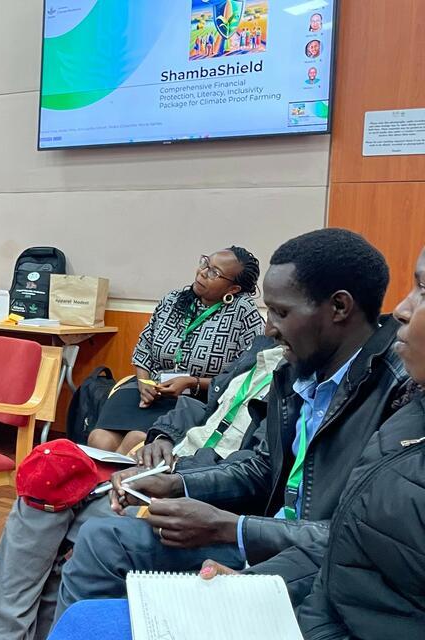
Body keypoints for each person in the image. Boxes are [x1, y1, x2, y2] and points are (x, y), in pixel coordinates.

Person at [54, 229, 407, 619]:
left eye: (282, 313)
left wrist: (232, 529)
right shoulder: (298, 371)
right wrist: (177, 482)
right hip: (268, 539)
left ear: (339, 307)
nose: (269, 329)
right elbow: (261, 467)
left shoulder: (399, 393)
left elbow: (358, 537)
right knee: (101, 538)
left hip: (323, 570)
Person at [0, 336, 280, 640]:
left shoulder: (295, 383)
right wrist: (162, 437)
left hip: (202, 492)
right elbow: (205, 407)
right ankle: (4, 634)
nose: (271, 325)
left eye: (281, 314)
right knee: (50, 480)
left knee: (72, 523)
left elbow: (254, 472)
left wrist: (177, 476)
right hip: (172, 458)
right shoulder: (263, 348)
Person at [199, 244, 425, 638]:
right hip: (291, 573)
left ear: (339, 308)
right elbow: (348, 551)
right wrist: (255, 588)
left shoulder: (392, 392)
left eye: (424, 290)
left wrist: (239, 535)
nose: (402, 310)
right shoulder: (406, 419)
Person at [91, 248, 264, 454]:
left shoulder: (243, 313)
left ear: (233, 288)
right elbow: (143, 350)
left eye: (214, 273)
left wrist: (192, 382)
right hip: (149, 391)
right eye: (205, 264)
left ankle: (121, 477)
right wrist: (144, 382)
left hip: (197, 400)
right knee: (99, 439)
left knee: (137, 442)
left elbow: (247, 375)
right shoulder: (172, 300)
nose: (202, 272)